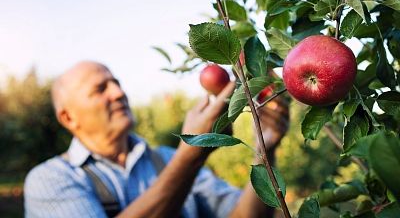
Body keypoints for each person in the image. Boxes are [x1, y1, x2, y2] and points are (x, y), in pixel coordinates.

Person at [24, 60, 289, 218]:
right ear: (68, 117)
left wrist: (264, 149)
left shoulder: (166, 158)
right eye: (100, 89)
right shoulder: (50, 180)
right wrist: (190, 154)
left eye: (116, 82)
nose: (118, 93)